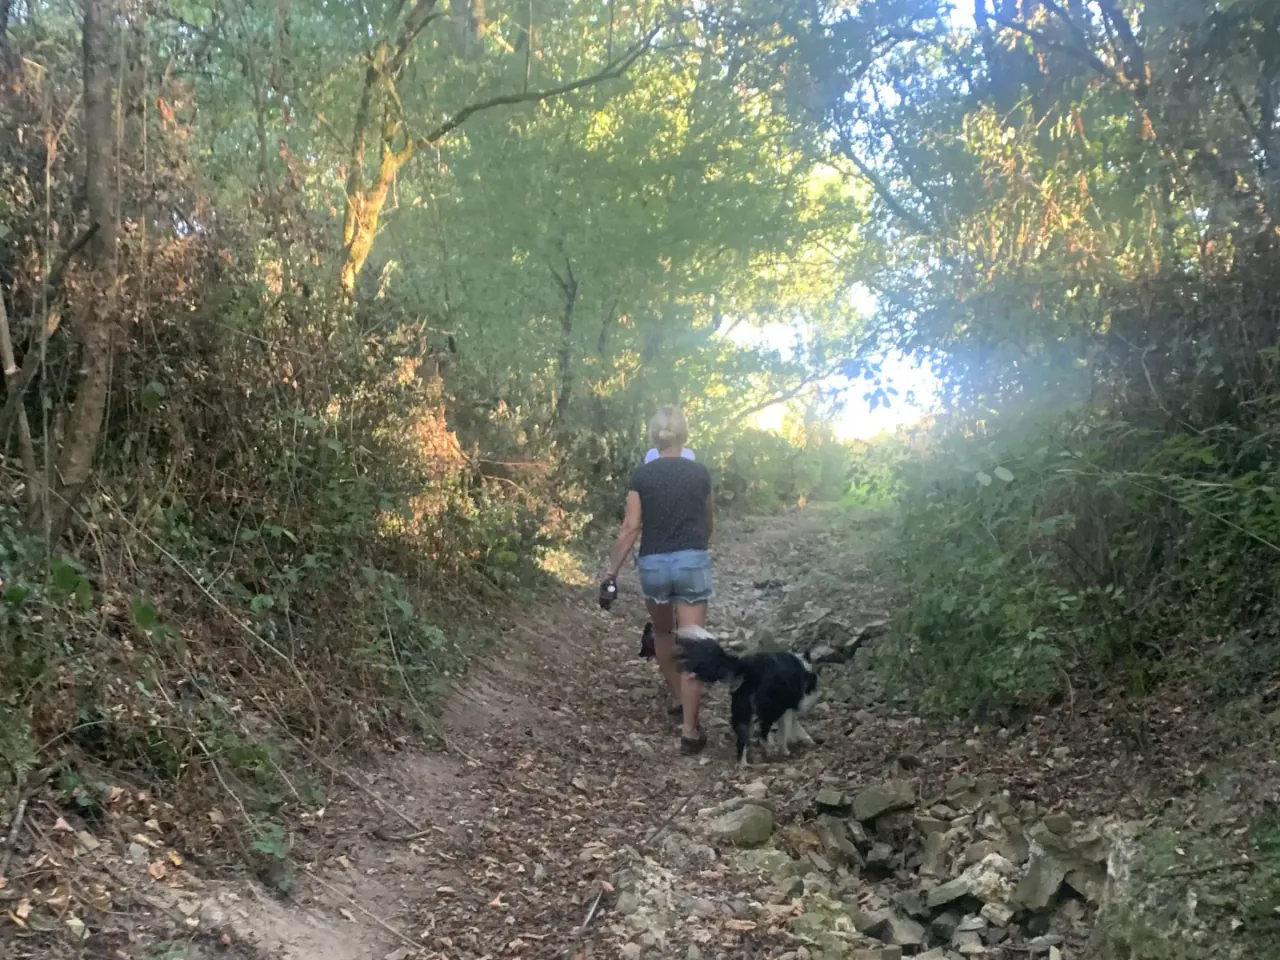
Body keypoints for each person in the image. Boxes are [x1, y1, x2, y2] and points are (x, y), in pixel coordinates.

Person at [604, 407, 715, 755]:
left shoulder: (643, 475)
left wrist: (610, 573)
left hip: (653, 563)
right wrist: (698, 545)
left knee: (664, 633)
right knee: (694, 642)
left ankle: (680, 699)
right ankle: (690, 730)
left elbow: (630, 528)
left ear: (654, 437)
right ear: (685, 435)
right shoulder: (700, 473)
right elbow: (708, 521)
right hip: (691, 560)